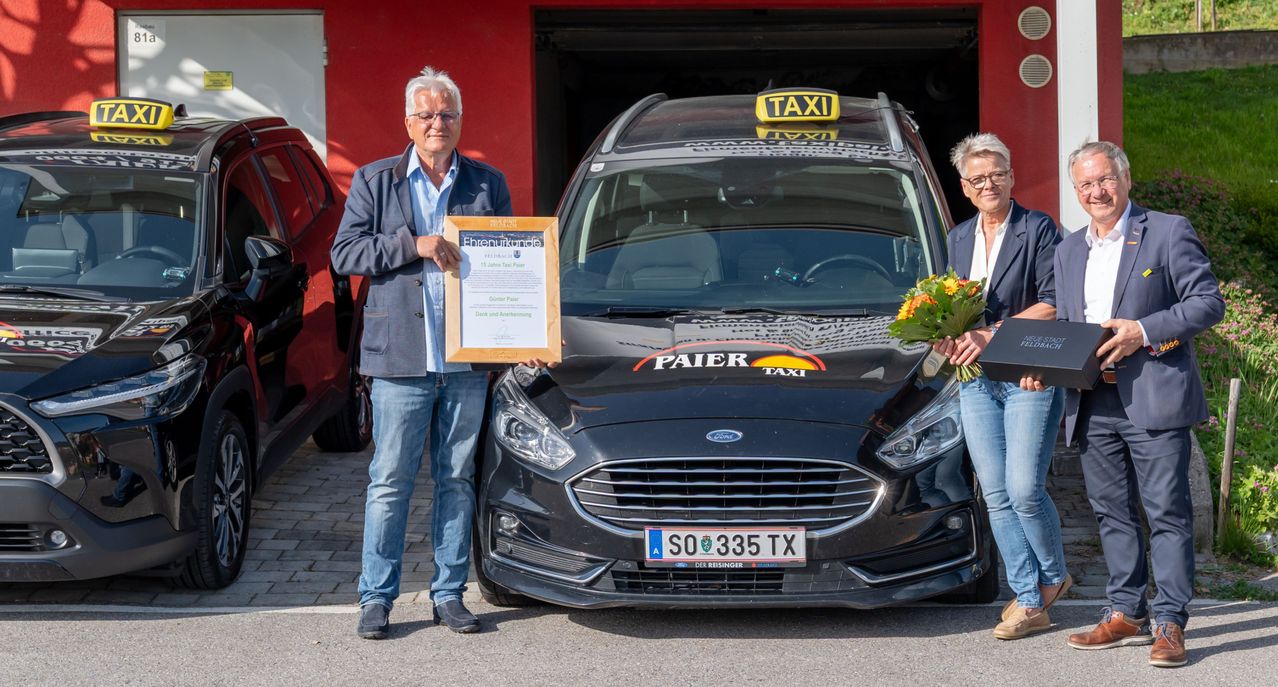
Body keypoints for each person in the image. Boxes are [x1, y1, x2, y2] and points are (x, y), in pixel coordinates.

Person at [1021, 141, 1224, 668]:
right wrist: (1044, 366)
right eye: (1085, 185)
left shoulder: (1167, 230)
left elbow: (1207, 302)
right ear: (1076, 191)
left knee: (1167, 515)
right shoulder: (1067, 250)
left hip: (1155, 395)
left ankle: (1170, 622)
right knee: (1110, 513)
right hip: (1092, 399)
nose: (1097, 192)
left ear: (1126, 178)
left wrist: (1144, 330)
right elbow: (1066, 326)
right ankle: (1125, 611)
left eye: (1105, 180)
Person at [331, 66, 512, 638]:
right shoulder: (374, 180)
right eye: (427, 115)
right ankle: (376, 598)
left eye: (448, 114)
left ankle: (449, 594)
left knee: (457, 479)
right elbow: (345, 254)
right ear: (408, 122)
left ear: (460, 121)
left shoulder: (487, 183)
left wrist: (523, 337)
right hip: (401, 360)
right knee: (390, 481)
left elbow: (511, 266)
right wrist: (415, 244)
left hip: (463, 360)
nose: (438, 123)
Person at [934, 132, 1070, 640]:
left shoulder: (1038, 229)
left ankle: (1053, 576)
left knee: (1024, 490)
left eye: (997, 174)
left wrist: (990, 334)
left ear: (1011, 177)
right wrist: (946, 337)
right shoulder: (958, 238)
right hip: (975, 381)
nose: (988, 184)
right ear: (965, 188)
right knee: (994, 492)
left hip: (1028, 374)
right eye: (977, 178)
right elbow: (951, 308)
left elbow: (1055, 302)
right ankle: (1029, 596)